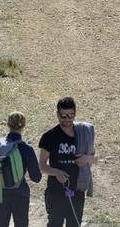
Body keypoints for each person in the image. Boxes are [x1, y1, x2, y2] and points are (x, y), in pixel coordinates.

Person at [38, 96, 97, 227]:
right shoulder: (50, 136)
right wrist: (56, 172)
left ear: (75, 113)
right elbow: (42, 165)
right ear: (57, 114)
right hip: (56, 192)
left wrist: (86, 159)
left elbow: (95, 159)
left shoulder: (82, 133)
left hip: (77, 191)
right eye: (63, 116)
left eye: (71, 115)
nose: (67, 120)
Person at [0, 111, 42, 227]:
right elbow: (36, 178)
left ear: (8, 125)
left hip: (0, 193)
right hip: (20, 193)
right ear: (24, 126)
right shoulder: (26, 148)